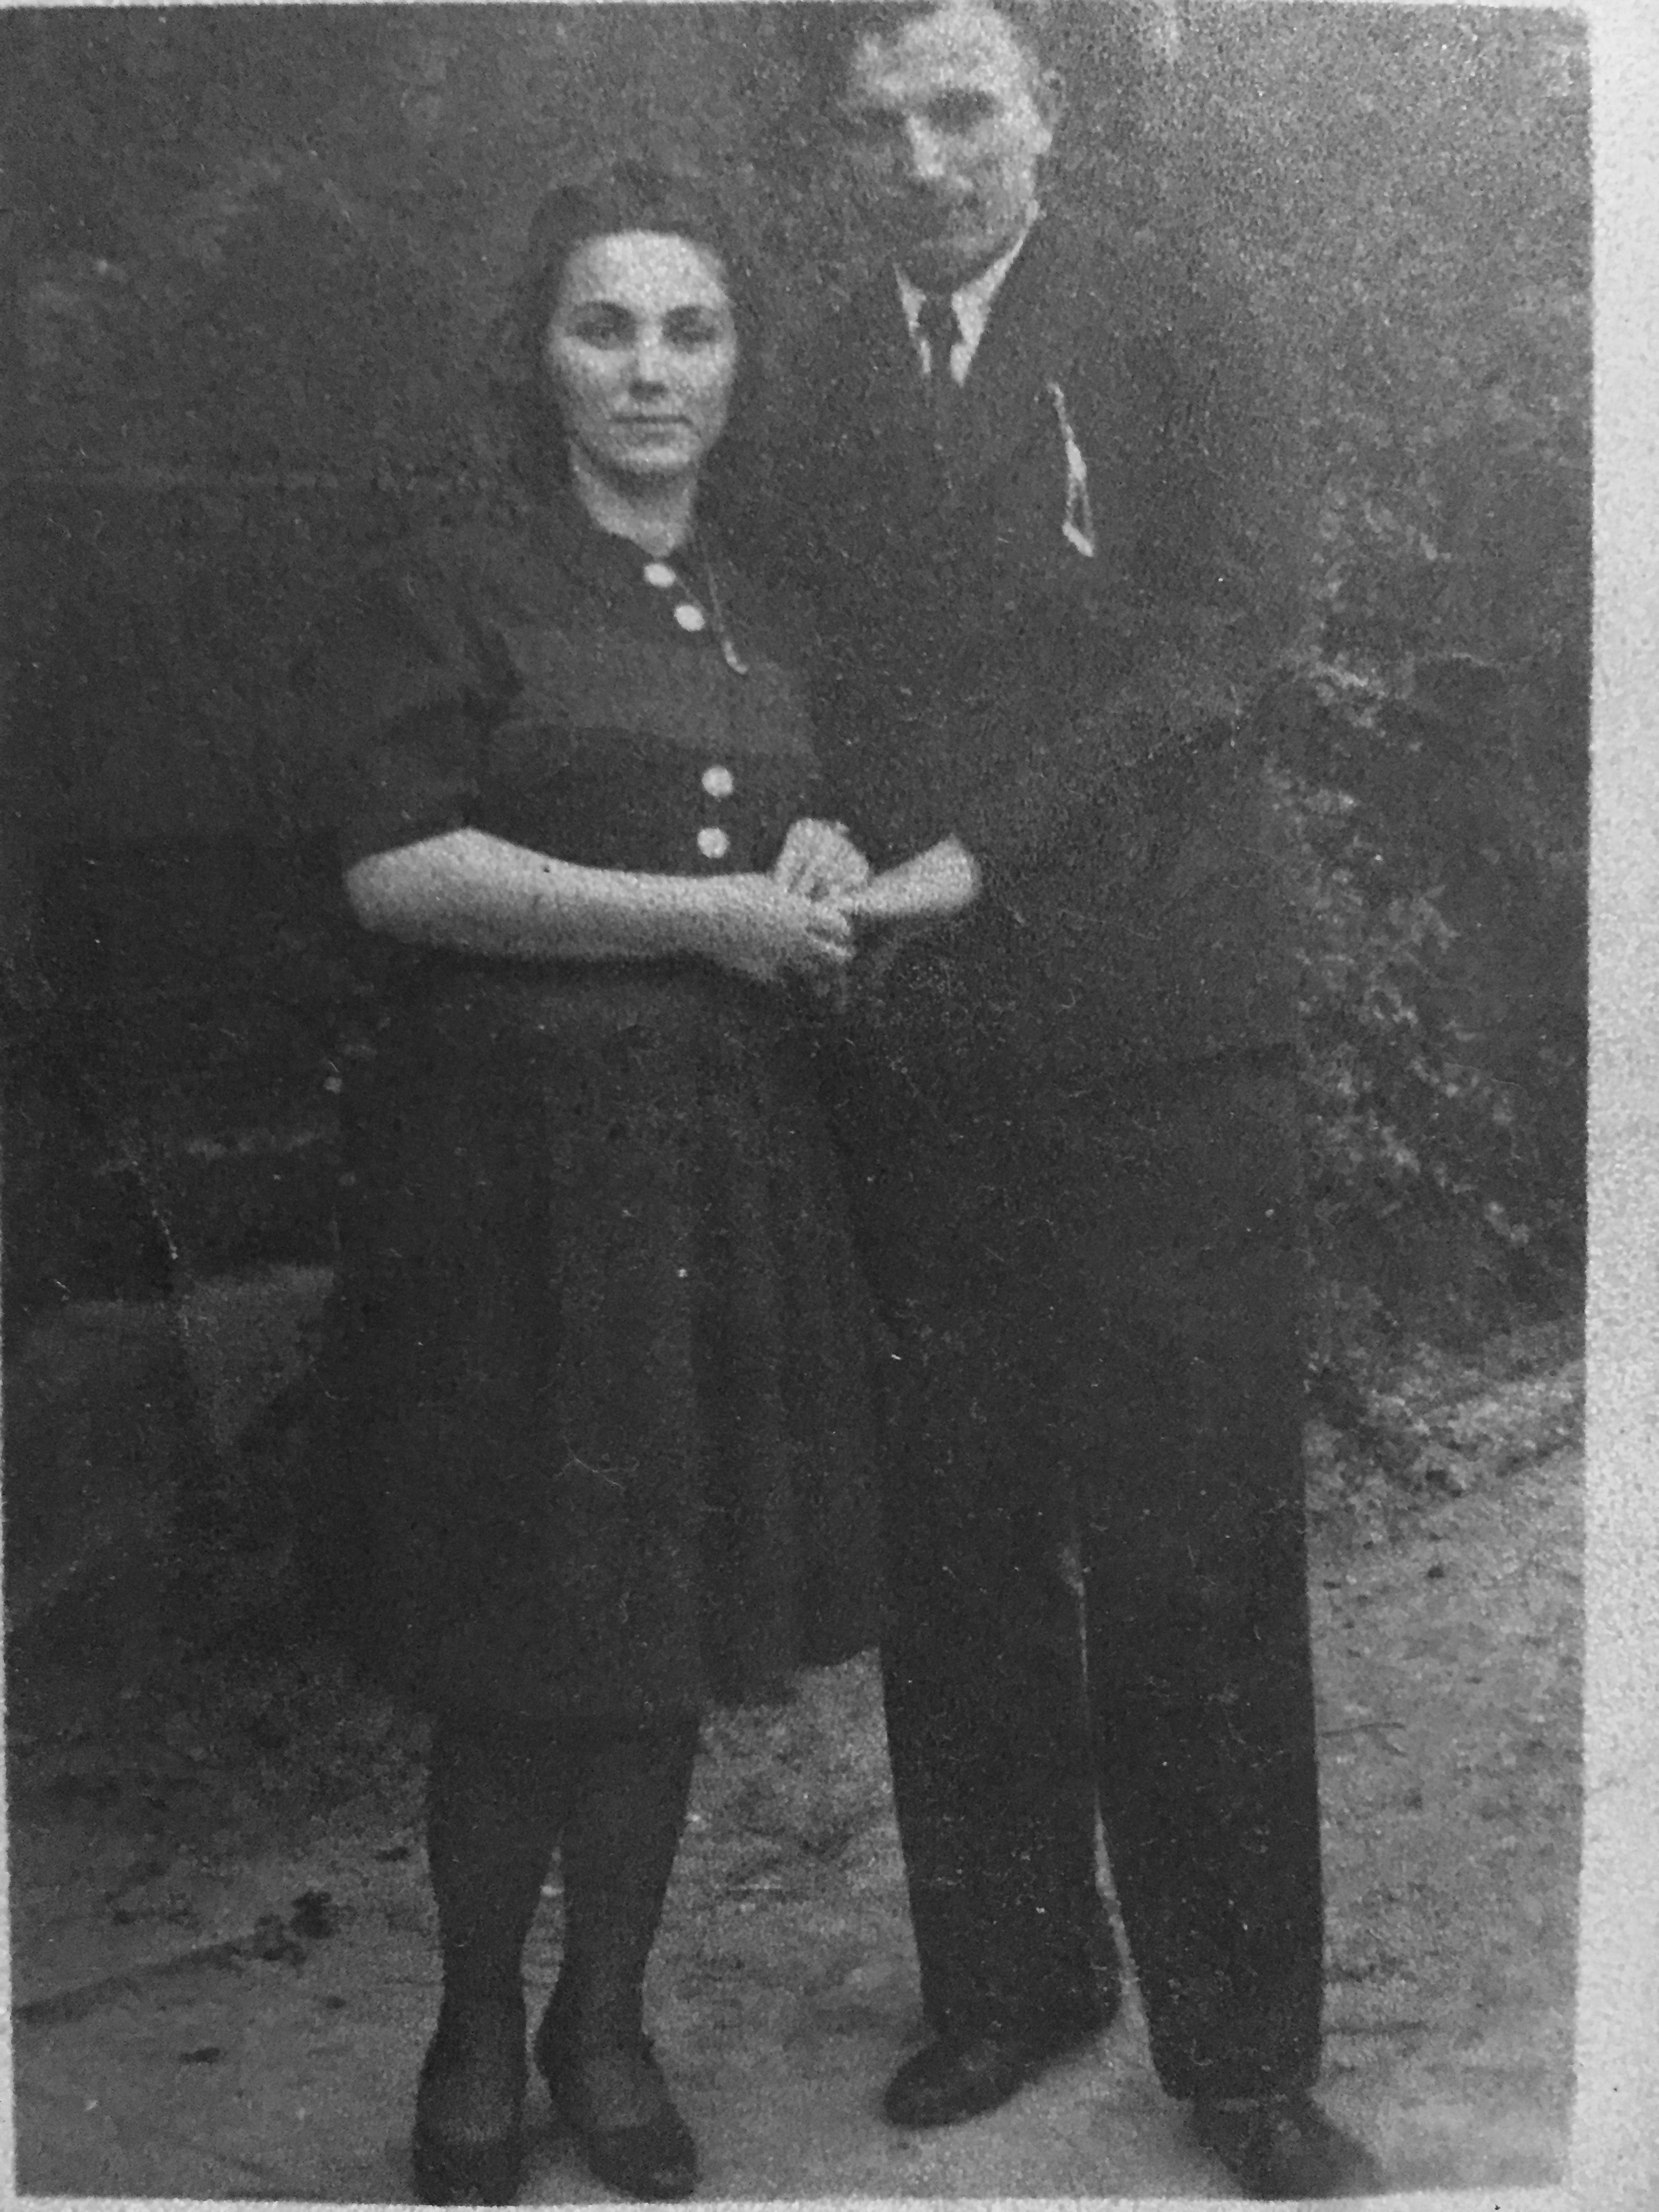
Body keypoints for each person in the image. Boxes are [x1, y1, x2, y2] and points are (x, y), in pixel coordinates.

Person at [766, 3, 1387, 2197]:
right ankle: (1017, 1977)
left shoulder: (1186, 315)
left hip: (1161, 1033)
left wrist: (982, 849)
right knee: (959, 1540)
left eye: (965, 109)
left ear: (1044, 115)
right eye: (880, 123)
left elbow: (1230, 632)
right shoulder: (818, 368)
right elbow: (784, 650)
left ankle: (1243, 2054)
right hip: (923, 1050)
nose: (925, 158)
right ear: (841, 148)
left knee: (1193, 1546)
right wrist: (817, 828)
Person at [310, 161, 882, 2207]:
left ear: (740, 364)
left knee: (656, 1633)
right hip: (512, 1195)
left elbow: (787, 822)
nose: (651, 370)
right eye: (605, 326)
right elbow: (402, 867)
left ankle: (607, 2017)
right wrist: (704, 915)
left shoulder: (767, 599)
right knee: (514, 1637)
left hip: (716, 1178)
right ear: (539, 352)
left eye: (692, 330)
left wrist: (809, 868)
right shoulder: (455, 578)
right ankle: (474, 2021)